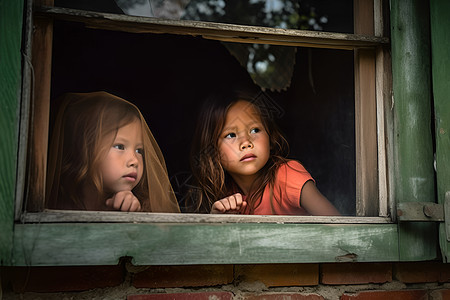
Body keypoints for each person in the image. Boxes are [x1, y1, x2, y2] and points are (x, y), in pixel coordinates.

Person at [189, 89, 340, 215]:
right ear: (212, 152)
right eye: (231, 135)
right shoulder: (225, 197)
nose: (246, 143)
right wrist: (217, 223)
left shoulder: (287, 175)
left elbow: (340, 227)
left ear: (271, 138)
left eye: (255, 130)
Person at [46, 91, 180, 213]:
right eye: (120, 147)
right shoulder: (53, 207)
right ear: (85, 150)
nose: (134, 161)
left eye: (139, 150)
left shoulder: (139, 207)